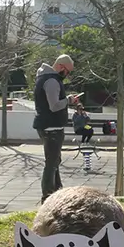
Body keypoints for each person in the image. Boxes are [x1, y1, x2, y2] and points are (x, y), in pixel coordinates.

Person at [33, 54, 80, 202]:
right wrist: (69, 100)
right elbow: (54, 106)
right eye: (67, 71)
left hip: (47, 126)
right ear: (60, 66)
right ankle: (47, 197)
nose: (67, 75)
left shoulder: (43, 78)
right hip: (52, 128)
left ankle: (57, 190)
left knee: (54, 161)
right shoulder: (52, 81)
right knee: (51, 163)